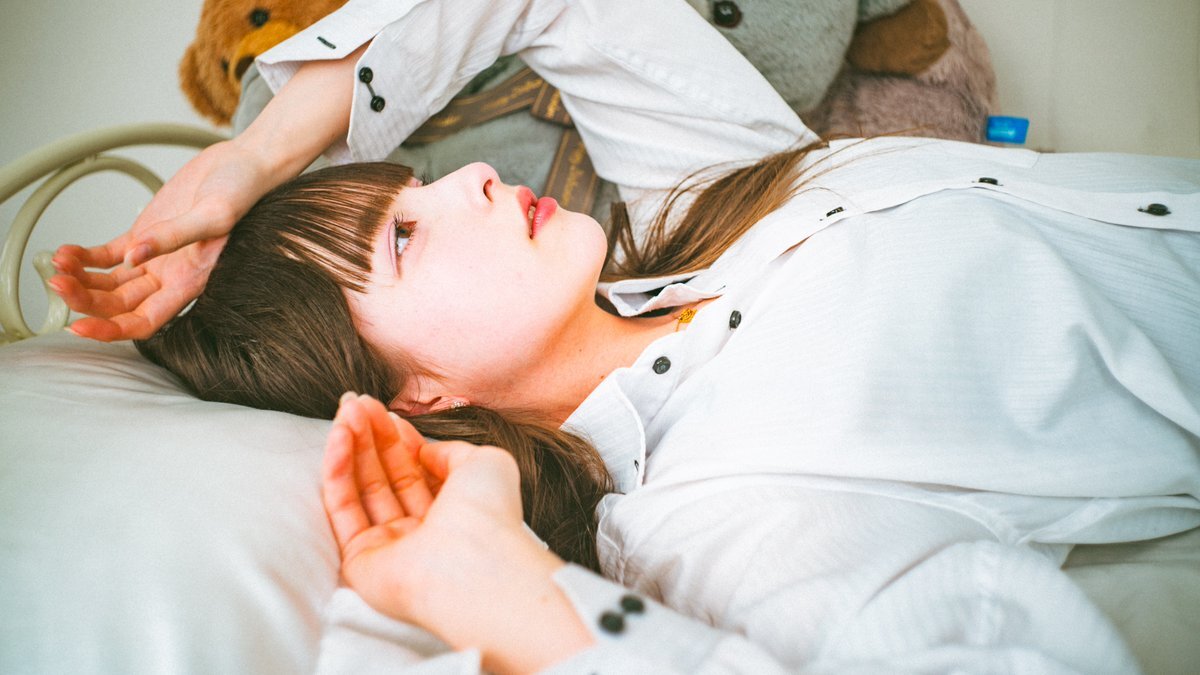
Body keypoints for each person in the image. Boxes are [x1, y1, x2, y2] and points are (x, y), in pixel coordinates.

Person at [50, 0, 1200, 673]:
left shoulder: (705, 201)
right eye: (403, 237)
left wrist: (252, 155)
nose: (472, 179)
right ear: (418, 396)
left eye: (415, 187)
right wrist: (510, 600)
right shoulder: (711, 510)